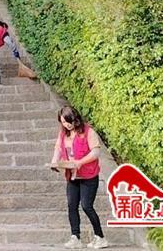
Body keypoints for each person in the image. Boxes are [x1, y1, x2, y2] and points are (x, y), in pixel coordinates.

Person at [49, 105, 109, 249]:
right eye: (63, 122)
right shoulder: (63, 133)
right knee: (72, 205)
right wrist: (54, 161)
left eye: (68, 121)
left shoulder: (88, 131)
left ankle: (100, 237)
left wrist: (80, 162)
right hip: (72, 175)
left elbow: (95, 152)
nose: (66, 125)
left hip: (89, 175)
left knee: (86, 206)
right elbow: (58, 148)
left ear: (74, 118)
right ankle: (75, 237)